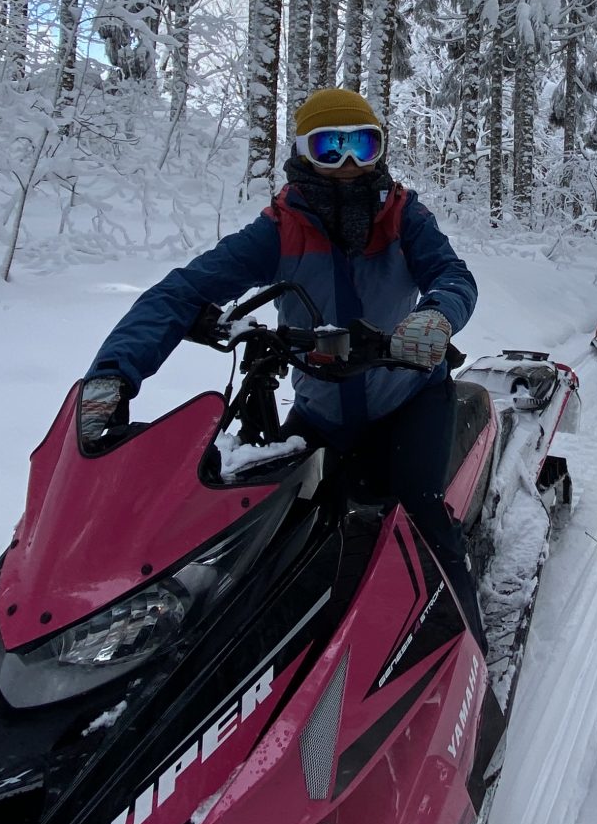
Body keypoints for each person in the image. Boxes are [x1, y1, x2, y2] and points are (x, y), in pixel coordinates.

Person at [78, 87, 488, 646]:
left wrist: (437, 316)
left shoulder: (403, 215)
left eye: (362, 146)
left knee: (419, 519)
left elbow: (452, 275)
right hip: (323, 410)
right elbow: (181, 292)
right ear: (302, 152)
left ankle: (464, 649)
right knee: (268, 525)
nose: (347, 165)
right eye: (330, 147)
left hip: (407, 400)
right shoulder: (280, 228)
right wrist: (113, 373)